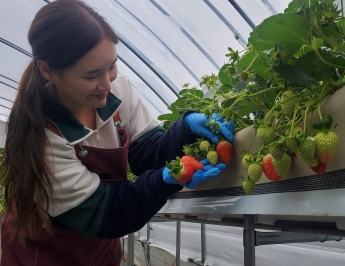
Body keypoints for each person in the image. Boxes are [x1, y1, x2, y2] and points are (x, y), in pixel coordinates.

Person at [0, 0, 235, 265]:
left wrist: (184, 129)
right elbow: (107, 212)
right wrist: (165, 181)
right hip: (43, 254)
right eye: (91, 76)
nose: (106, 84)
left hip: (99, 251)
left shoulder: (118, 91)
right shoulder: (43, 137)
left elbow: (149, 153)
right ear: (48, 71)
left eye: (111, 66)